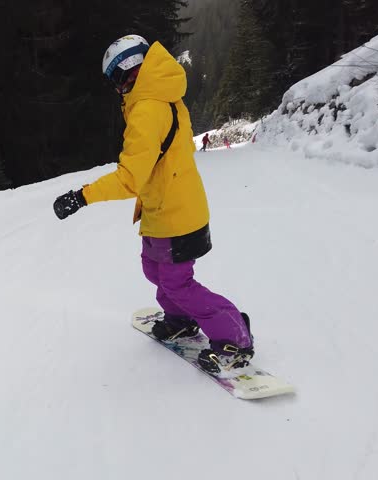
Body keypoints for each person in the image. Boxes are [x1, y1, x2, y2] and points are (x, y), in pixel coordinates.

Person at [51, 34, 253, 374]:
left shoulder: (148, 108)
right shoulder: (159, 95)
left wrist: (82, 196)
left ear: (129, 70)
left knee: (177, 282)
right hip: (164, 208)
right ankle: (179, 319)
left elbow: (130, 177)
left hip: (177, 214)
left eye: (116, 79)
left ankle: (235, 337)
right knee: (153, 269)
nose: (116, 88)